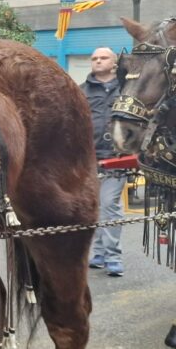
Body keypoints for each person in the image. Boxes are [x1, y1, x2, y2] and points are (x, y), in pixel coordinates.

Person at [82, 47, 125, 277]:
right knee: (95, 207)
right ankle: (98, 253)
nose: (98, 61)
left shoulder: (126, 89)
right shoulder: (81, 91)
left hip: (117, 159)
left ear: (114, 63)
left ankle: (113, 256)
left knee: (109, 205)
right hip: (88, 161)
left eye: (103, 57)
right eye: (94, 58)